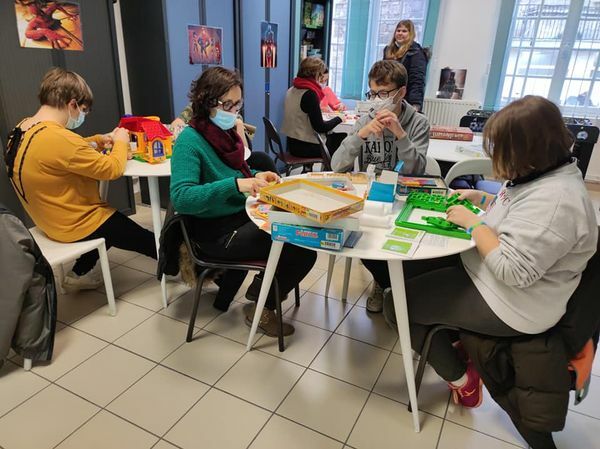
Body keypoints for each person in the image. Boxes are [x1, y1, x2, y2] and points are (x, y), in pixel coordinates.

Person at [367, 96, 598, 408]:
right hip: (487, 273)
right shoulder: (544, 173)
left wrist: (474, 223)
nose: (496, 159)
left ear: (526, 152)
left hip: (513, 303)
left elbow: (513, 271)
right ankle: (449, 339)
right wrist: (483, 200)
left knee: (396, 305)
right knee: (406, 267)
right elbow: (517, 214)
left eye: (501, 151)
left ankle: (463, 381)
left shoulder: (557, 201)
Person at [170, 66, 316, 336]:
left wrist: (257, 175)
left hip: (238, 217)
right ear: (206, 101)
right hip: (214, 233)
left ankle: (262, 289)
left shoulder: (223, 134)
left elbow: (234, 173)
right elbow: (182, 198)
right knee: (301, 247)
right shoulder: (189, 141)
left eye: (238, 104)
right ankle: (262, 308)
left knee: (300, 232)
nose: (234, 112)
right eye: (228, 104)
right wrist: (237, 185)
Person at [4, 67, 157, 290]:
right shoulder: (58, 138)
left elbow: (59, 152)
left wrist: (96, 140)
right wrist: (121, 141)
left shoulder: (23, 128)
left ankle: (78, 274)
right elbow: (111, 169)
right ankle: (180, 265)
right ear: (72, 104)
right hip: (74, 223)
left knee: (110, 225)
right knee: (138, 236)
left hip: (48, 219)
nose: (82, 116)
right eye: (83, 110)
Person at [331, 59, 430, 314]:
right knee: (363, 239)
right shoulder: (365, 119)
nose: (377, 100)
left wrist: (400, 135)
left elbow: (417, 171)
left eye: (384, 93)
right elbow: (337, 164)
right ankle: (385, 283)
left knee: (407, 244)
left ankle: (397, 285)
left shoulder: (418, 123)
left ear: (401, 92)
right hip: (371, 199)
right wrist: (360, 135)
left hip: (402, 198)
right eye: (373, 93)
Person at [170, 103, 277, 173]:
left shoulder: (233, 116)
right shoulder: (195, 110)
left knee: (263, 159)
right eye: (227, 104)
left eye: (237, 105)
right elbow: (176, 124)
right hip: (211, 161)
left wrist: (239, 125)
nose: (233, 110)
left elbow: (244, 152)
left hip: (231, 160)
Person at [281, 57, 343, 158]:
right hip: (307, 147)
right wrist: (339, 118)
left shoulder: (291, 89)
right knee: (344, 140)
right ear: (316, 74)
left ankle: (325, 165)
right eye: (320, 75)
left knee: (335, 138)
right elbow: (320, 127)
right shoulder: (310, 94)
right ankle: (331, 167)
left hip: (292, 144)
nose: (321, 79)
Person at [383, 19, 429, 111]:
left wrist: (415, 104)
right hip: (388, 98)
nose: (400, 33)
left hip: (406, 100)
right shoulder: (389, 51)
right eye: (398, 30)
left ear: (411, 34)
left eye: (404, 31)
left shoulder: (416, 53)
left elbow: (417, 80)